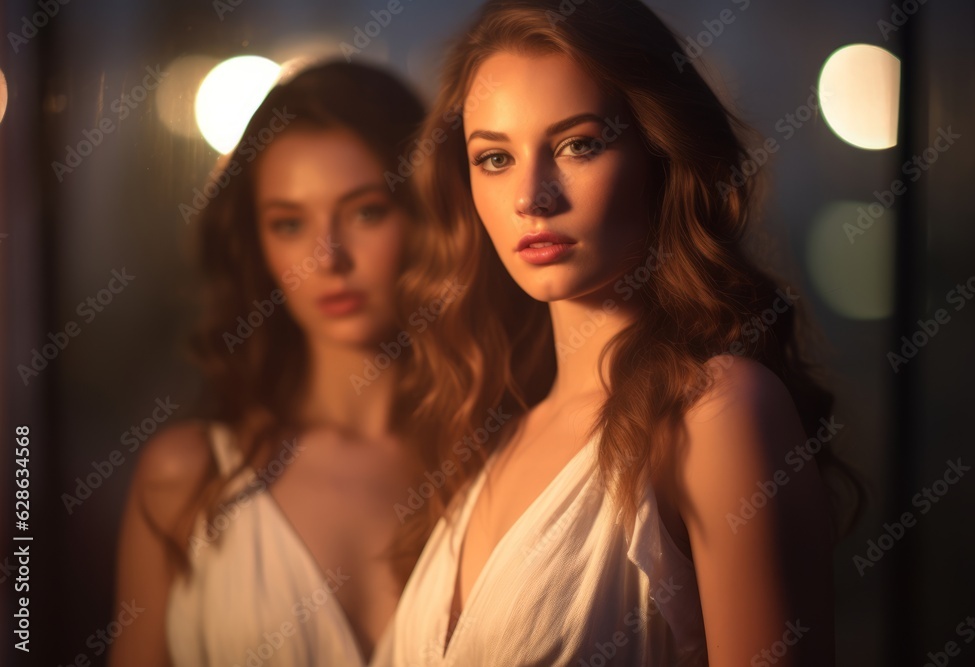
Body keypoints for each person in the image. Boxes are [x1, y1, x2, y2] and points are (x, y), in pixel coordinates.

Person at [388, 1, 863, 665]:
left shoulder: (718, 413)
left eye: (578, 144)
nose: (532, 196)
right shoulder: (489, 439)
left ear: (659, 154)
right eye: (494, 157)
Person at [109, 60, 429, 667]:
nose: (327, 258)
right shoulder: (188, 477)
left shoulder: (491, 459)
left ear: (428, 218)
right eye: (289, 223)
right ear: (256, 243)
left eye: (366, 211)